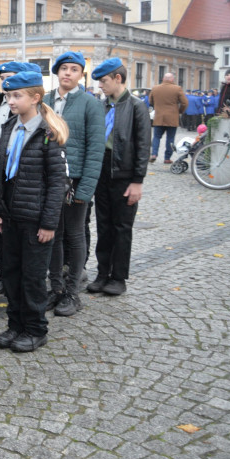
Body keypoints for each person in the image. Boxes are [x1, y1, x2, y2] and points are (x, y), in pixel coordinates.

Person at [0, 69, 69, 353]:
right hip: (9, 217)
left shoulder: (48, 133)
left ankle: (35, 329)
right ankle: (15, 325)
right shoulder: (10, 127)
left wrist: (49, 224)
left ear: (35, 98)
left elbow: (57, 184)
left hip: (35, 219)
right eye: (9, 95)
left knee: (33, 276)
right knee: (10, 272)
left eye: (17, 95)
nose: (10, 100)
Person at [46, 52, 105, 318]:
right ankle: (56, 288)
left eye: (74, 69)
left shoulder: (90, 104)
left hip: (76, 179)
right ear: (56, 72)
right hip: (49, 178)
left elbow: (95, 149)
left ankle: (72, 292)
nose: (68, 73)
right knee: (53, 234)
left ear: (81, 74)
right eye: (63, 68)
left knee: (74, 233)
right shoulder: (45, 100)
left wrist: (86, 189)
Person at [88, 58, 151, 297]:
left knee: (122, 227)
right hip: (102, 171)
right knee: (103, 226)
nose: (100, 86)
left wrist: (137, 180)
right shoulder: (102, 106)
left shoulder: (137, 107)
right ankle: (103, 273)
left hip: (124, 175)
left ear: (118, 78)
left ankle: (118, 277)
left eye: (103, 81)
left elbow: (143, 145)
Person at [0, 61, 40, 297]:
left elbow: (56, 179)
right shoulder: (0, 109)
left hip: (29, 194)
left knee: (30, 261)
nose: (9, 96)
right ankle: (4, 279)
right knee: (4, 244)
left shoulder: (44, 126)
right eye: (4, 82)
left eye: (15, 91)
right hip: (4, 185)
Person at [148, 73, 188, 164]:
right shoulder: (177, 88)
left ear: (163, 79)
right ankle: (167, 158)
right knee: (170, 138)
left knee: (156, 137)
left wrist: (157, 106)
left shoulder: (155, 88)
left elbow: (150, 101)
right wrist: (180, 111)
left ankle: (154, 154)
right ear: (172, 79)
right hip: (172, 118)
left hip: (159, 117)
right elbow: (185, 103)